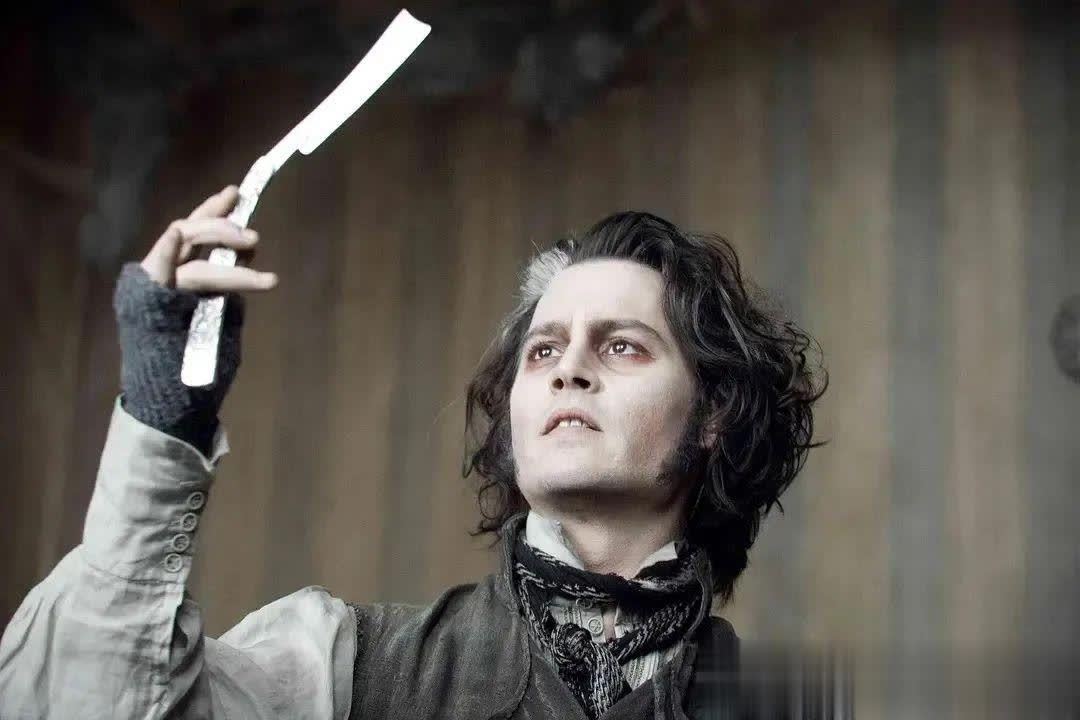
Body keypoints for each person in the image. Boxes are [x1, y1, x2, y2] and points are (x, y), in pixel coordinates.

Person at [0, 186, 827, 719]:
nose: (567, 368)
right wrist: (163, 420)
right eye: (543, 349)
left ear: (713, 414)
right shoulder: (348, 667)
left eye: (622, 347)